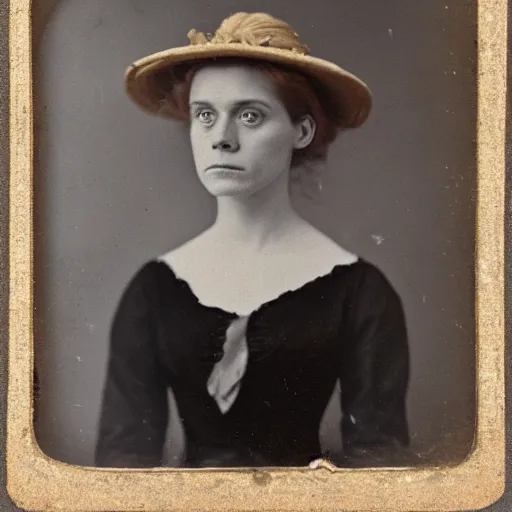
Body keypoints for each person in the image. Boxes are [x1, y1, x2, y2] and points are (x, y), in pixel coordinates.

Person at [95, 12, 411, 469]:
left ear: (300, 132)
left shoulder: (360, 292)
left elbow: (383, 461)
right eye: (205, 115)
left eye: (249, 115)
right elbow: (119, 463)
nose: (221, 139)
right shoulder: (154, 288)